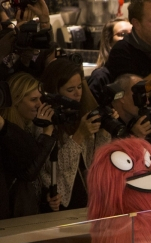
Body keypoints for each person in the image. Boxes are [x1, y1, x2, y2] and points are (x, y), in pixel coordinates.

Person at [39, 58, 112, 211]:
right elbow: (53, 168)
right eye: (70, 90)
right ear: (54, 91)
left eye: (80, 87)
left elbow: (96, 161)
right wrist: (79, 136)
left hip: (88, 200)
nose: (78, 93)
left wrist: (104, 131)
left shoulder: (81, 115)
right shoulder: (43, 121)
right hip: (59, 203)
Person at [0, 73, 57, 218]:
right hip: (12, 218)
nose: (39, 105)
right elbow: (29, 172)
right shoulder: (6, 135)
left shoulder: (28, 127)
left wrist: (45, 198)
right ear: (17, 100)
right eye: (33, 99)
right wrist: (47, 133)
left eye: (40, 98)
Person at [88, 18, 132, 102]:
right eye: (123, 34)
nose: (129, 38)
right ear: (109, 42)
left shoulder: (139, 69)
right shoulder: (100, 77)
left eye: (133, 33)